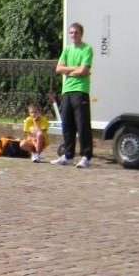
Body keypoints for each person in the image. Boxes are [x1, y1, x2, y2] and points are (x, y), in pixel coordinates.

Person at [52, 22, 93, 168]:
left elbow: (84, 71)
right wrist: (75, 69)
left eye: (76, 32)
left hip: (80, 90)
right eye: (71, 33)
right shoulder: (67, 50)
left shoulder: (87, 49)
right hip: (67, 90)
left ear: (81, 34)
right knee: (67, 124)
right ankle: (68, 155)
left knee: (82, 124)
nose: (73, 35)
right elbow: (58, 68)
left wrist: (68, 71)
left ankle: (86, 155)